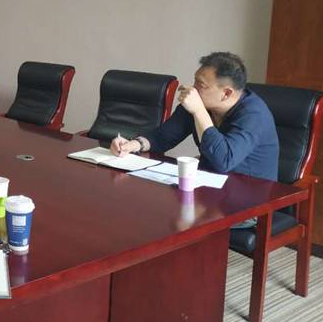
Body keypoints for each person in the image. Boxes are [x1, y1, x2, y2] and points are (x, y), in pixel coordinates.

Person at [110, 52, 279, 226]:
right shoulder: (200, 103)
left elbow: (224, 160)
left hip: (247, 201)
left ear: (226, 93)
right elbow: (163, 137)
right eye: (195, 81)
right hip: (209, 189)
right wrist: (133, 145)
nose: (192, 90)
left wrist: (199, 111)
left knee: (175, 222)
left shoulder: (253, 114)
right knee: (144, 206)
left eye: (201, 85)